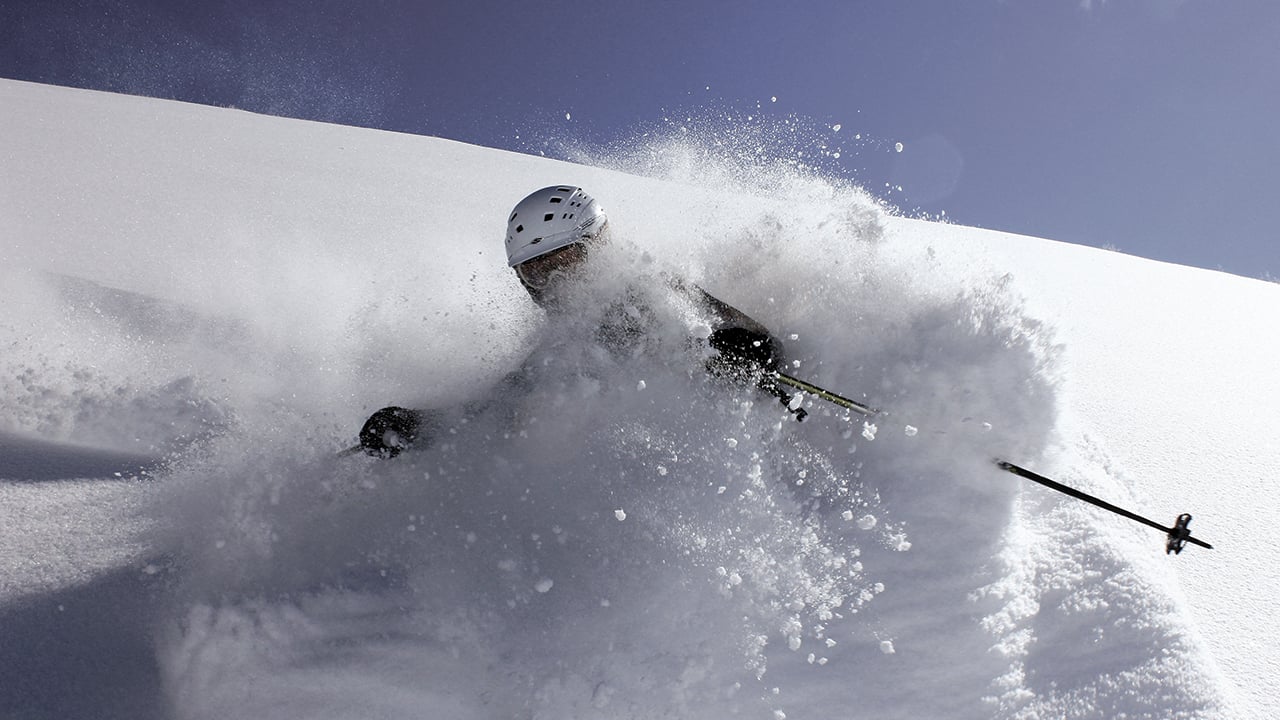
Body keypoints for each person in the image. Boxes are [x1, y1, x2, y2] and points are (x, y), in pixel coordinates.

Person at [357, 185, 803, 458]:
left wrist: (744, 348)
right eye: (536, 271)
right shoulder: (564, 344)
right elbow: (501, 407)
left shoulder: (651, 293)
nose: (553, 282)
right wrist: (421, 427)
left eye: (565, 261)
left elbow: (737, 332)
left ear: (598, 246)